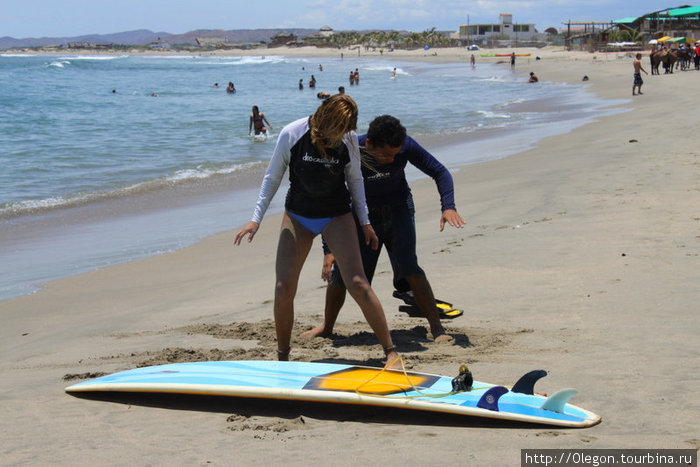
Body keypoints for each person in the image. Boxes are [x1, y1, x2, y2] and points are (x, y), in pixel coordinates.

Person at [234, 95, 401, 367]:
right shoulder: (293, 133)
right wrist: (256, 219)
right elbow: (272, 177)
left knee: (358, 282)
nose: (344, 135)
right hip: (298, 217)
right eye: (340, 128)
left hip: (336, 215)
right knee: (284, 286)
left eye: (348, 129)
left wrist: (365, 222)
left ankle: (391, 351)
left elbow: (355, 180)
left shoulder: (347, 139)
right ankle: (283, 356)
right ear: (325, 119)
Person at [302, 115, 465, 343]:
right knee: (345, 274)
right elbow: (329, 199)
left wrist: (448, 207)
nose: (391, 160)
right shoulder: (349, 151)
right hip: (363, 218)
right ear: (369, 143)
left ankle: (437, 329)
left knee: (410, 266)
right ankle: (327, 327)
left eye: (396, 155)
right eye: (386, 154)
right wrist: (328, 249)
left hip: (399, 209)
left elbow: (440, 172)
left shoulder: (405, 145)